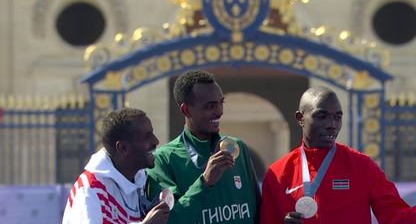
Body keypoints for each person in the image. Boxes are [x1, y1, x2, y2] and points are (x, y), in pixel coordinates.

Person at [259, 86, 416, 224]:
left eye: (337, 117)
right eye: (321, 116)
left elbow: (397, 217)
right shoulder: (278, 173)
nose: (332, 125)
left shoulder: (362, 166)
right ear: (300, 118)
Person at [146, 69, 261, 224]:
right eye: (210, 106)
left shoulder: (237, 147)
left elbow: (259, 213)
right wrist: (205, 182)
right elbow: (170, 221)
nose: (220, 112)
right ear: (186, 110)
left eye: (221, 103)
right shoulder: (162, 160)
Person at [62, 108, 170, 224]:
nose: (156, 141)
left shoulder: (141, 182)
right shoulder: (91, 190)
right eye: (146, 136)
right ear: (123, 147)